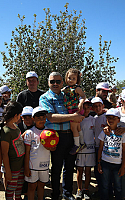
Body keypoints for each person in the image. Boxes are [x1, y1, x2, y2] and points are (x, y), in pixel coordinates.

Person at [39, 72, 84, 200]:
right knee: (56, 168)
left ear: (62, 83)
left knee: (69, 167)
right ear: (48, 82)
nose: (55, 84)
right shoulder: (45, 97)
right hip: (55, 137)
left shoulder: (68, 94)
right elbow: (50, 117)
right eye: (52, 81)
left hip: (70, 135)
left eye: (58, 81)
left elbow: (81, 99)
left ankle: (67, 193)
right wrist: (73, 117)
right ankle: (55, 194)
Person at [23, 106, 54, 200]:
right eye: (38, 118)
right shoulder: (29, 133)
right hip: (33, 165)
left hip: (44, 165)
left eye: (43, 118)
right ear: (33, 119)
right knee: (32, 187)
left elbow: (53, 148)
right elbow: (27, 152)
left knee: (41, 185)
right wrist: (26, 168)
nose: (41, 120)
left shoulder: (50, 132)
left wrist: (52, 148)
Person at [97, 108, 125, 200]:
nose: (110, 120)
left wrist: (123, 167)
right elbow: (100, 148)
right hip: (105, 163)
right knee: (105, 185)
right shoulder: (104, 132)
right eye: (108, 118)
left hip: (117, 165)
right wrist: (99, 163)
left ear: (118, 120)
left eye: (113, 118)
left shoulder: (123, 134)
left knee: (118, 187)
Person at [0, 101, 25, 200]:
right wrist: (8, 171)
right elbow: (4, 153)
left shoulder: (15, 126)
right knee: (11, 189)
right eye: (20, 114)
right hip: (13, 166)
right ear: (15, 115)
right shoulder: (6, 131)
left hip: (20, 164)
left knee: (19, 187)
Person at [62, 68, 86, 154]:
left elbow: (83, 96)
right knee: (78, 127)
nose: (71, 80)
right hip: (71, 109)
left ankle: (77, 145)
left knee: (73, 128)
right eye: (69, 78)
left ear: (77, 79)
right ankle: (82, 143)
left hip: (75, 110)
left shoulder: (77, 88)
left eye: (73, 78)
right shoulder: (66, 88)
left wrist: (81, 103)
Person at [75, 99, 95, 200]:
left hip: (90, 149)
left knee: (88, 171)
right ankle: (79, 189)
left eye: (88, 108)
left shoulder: (93, 119)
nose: (86, 110)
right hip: (80, 149)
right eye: (84, 108)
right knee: (80, 170)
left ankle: (86, 189)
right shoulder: (78, 119)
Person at [91, 97, 106, 198]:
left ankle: (106, 192)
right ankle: (101, 191)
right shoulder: (94, 119)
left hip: (106, 148)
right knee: (98, 170)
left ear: (103, 106)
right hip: (96, 147)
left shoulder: (107, 117)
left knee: (105, 172)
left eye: (99, 106)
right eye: (95, 106)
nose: (97, 108)